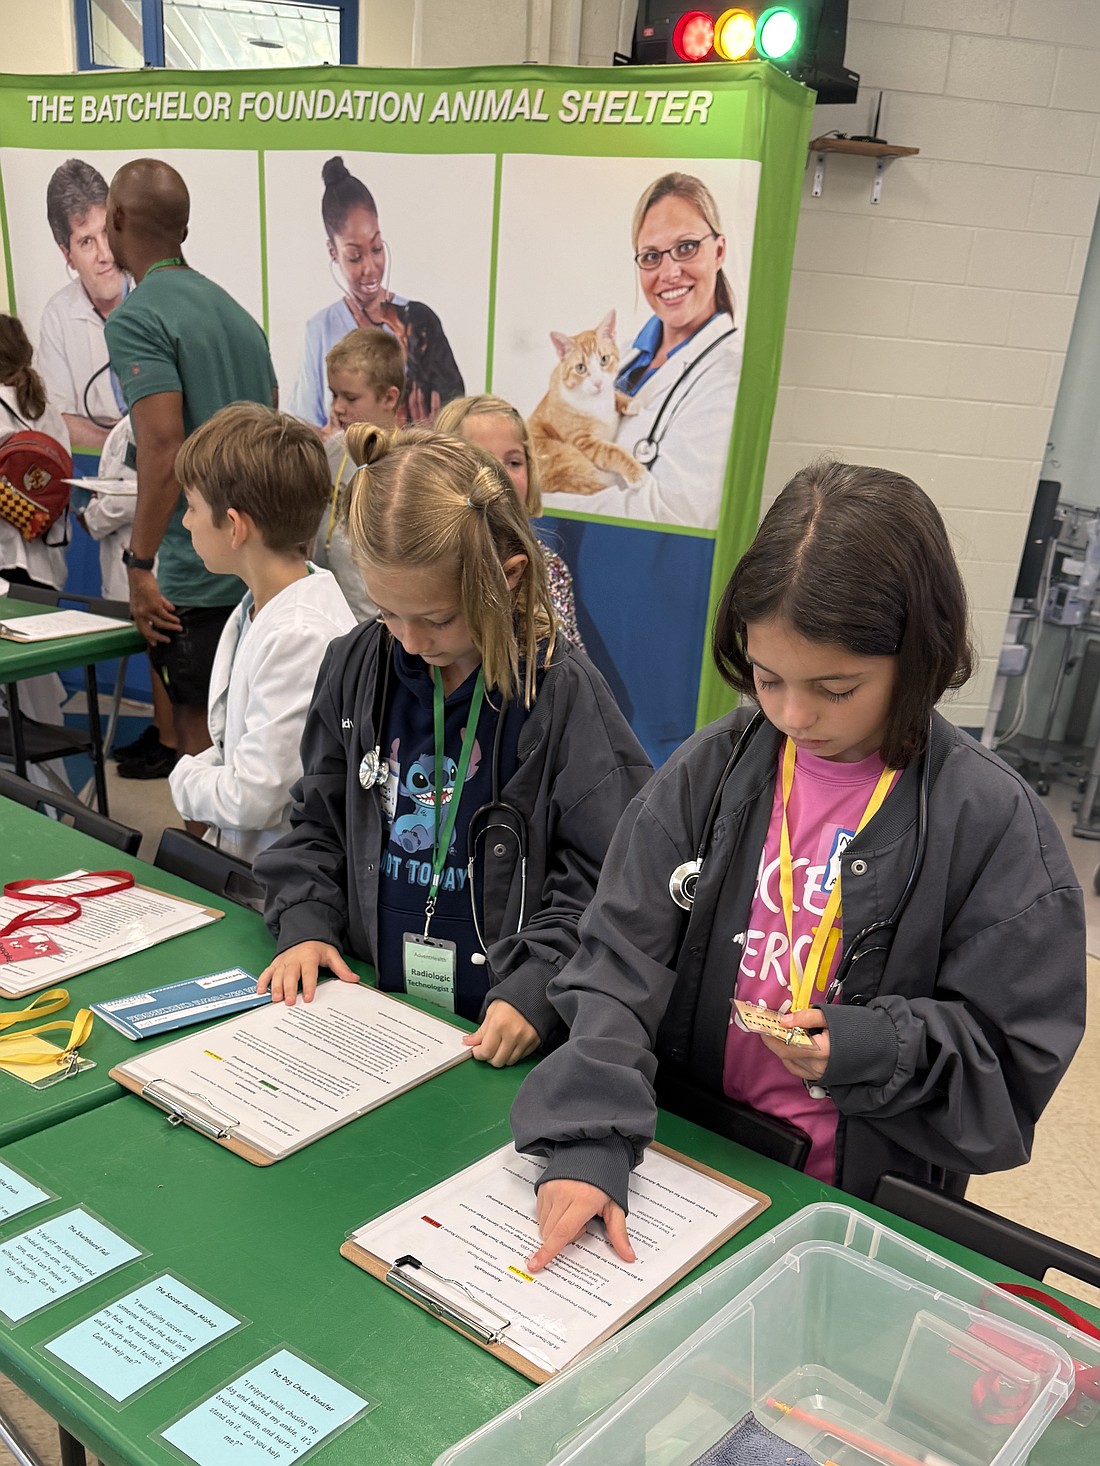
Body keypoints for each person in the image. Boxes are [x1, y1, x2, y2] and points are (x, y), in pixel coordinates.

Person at [511, 460, 1086, 1271]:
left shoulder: (990, 821)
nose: (792, 713)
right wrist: (587, 1137)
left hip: (855, 1204)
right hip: (689, 1166)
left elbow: (1014, 1065)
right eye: (768, 677)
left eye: (836, 688)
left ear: (918, 656)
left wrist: (876, 1046)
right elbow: (616, 966)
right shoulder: (711, 770)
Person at [254, 425, 651, 1068]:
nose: (410, 641)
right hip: (369, 1009)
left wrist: (539, 983)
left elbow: (610, 874)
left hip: (500, 1032)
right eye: (387, 612)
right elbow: (318, 821)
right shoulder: (355, 666)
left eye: (437, 619)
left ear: (509, 577)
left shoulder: (562, 693)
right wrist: (305, 919)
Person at [102, 158, 278, 778]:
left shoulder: (137, 317)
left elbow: (163, 449)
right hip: (260, 569)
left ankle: (198, 849)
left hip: (195, 573)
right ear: (183, 227)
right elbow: (271, 433)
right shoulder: (239, 316)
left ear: (115, 218)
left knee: (198, 752)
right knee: (252, 750)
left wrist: (139, 565)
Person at [168, 404, 356, 860]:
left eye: (191, 508)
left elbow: (254, 796)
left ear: (235, 527)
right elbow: (238, 750)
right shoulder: (260, 606)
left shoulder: (301, 636)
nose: (186, 521)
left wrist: (183, 778)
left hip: (276, 876)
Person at [545, 172, 741, 532]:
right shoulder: (627, 355)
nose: (669, 272)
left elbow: (674, 512)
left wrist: (536, 500)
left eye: (686, 247)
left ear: (718, 251)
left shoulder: (727, 376)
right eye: (651, 256)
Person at [288, 156, 463, 427]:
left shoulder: (420, 323)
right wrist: (332, 437)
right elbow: (304, 426)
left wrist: (425, 437)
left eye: (377, 248)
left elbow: (455, 417)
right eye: (355, 256)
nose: (370, 268)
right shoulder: (320, 329)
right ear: (333, 252)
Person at [433, 394, 585, 651]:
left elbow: (575, 656)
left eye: (513, 462)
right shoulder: (432, 567)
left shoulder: (551, 567)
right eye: (482, 462)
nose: (501, 476)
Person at [0, 314, 73, 788]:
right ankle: (57, 792)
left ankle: (25, 795)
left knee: (13, 700)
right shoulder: (45, 407)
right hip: (44, 561)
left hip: (5, 564)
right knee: (40, 690)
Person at [314, 327, 404, 623]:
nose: (337, 408)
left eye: (350, 398)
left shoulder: (405, 465)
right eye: (334, 394)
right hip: (328, 615)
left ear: (389, 398)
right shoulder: (333, 450)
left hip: (377, 623)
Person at [38, 158, 127, 451]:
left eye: (107, 233)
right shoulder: (58, 315)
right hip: (98, 464)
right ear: (67, 255)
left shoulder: (155, 291)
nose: (105, 255)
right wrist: (125, 447)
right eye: (87, 242)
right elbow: (59, 420)